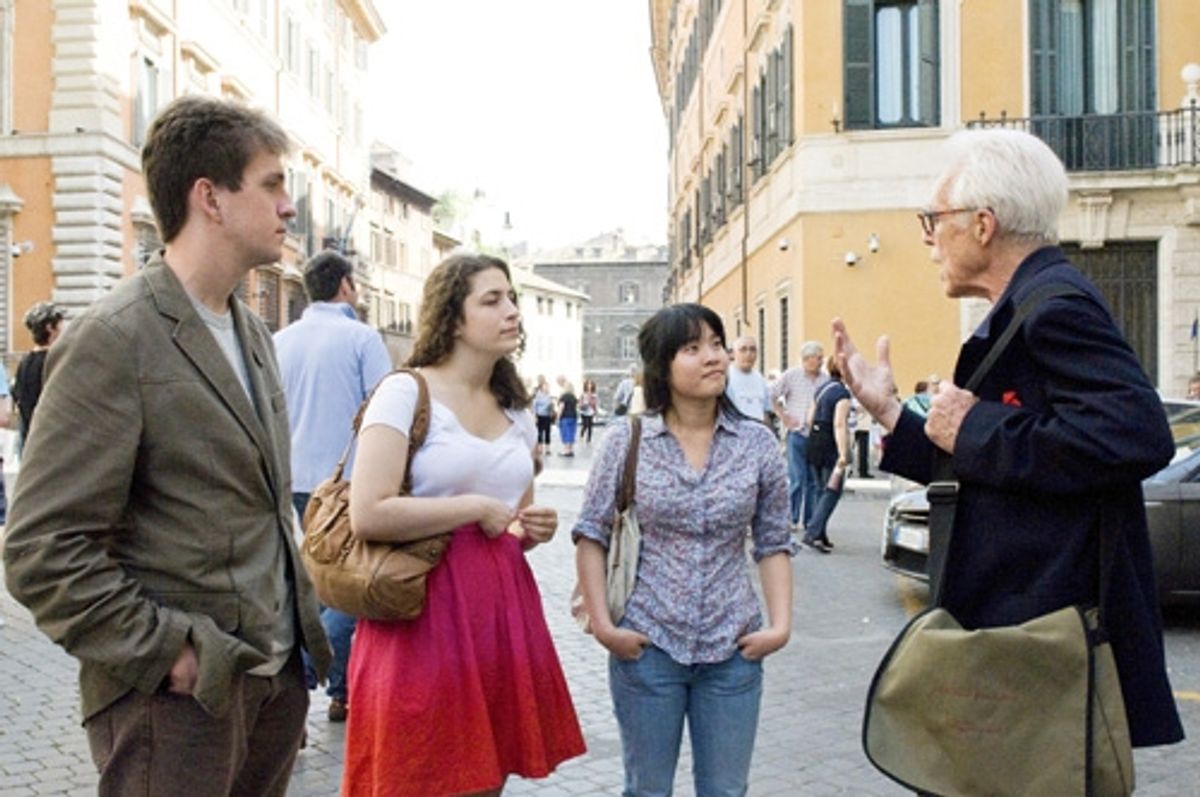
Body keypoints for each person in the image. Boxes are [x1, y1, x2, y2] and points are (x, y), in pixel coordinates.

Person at [2, 95, 331, 797]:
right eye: (272, 184)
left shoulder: (253, 334)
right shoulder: (114, 337)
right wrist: (169, 652)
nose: (289, 206)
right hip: (174, 708)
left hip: (270, 688)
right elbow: (40, 549)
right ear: (210, 197)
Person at [834, 127, 1184, 753]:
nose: (927, 237)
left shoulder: (1056, 304)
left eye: (934, 219)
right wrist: (889, 412)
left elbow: (1137, 434)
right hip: (1022, 637)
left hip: (1047, 642)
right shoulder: (1026, 303)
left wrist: (975, 426)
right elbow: (995, 461)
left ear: (982, 224)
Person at [342, 254, 585, 796]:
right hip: (421, 609)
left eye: (512, 298)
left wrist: (531, 528)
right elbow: (368, 512)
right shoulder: (404, 392)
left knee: (485, 776)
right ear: (452, 318)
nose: (511, 310)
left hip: (499, 611)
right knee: (419, 771)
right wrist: (472, 508)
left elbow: (511, 525)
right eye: (492, 300)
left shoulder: (516, 411)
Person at [574, 303, 794, 797]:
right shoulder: (626, 441)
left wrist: (779, 626)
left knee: (726, 791)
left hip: (733, 646)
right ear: (662, 366)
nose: (713, 357)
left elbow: (773, 541)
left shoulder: (757, 444)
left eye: (716, 344)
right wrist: (605, 627)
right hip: (648, 644)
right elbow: (592, 535)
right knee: (647, 789)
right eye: (692, 348)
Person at [273, 249, 392, 724]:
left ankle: (341, 693)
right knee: (350, 588)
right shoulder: (362, 337)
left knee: (321, 581)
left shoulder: (279, 340)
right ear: (345, 285)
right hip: (349, 481)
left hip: (297, 480)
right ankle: (301, 676)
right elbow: (387, 409)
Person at [770, 341, 830, 528]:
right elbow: (771, 395)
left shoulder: (825, 379)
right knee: (797, 478)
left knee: (813, 480)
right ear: (807, 359)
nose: (821, 361)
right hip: (796, 433)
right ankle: (791, 518)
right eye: (818, 358)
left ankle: (809, 520)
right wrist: (784, 416)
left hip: (816, 435)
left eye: (821, 358)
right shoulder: (791, 376)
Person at [801, 355, 852, 552]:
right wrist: (843, 452)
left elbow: (809, 418)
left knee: (819, 489)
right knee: (832, 491)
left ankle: (820, 533)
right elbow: (839, 423)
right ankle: (813, 532)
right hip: (830, 443)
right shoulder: (842, 394)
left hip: (814, 441)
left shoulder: (822, 388)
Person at [13, 301, 66, 443]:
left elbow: (19, 398)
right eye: (61, 324)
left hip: (29, 438)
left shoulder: (25, 362)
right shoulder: (56, 361)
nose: (64, 329)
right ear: (50, 328)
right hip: (52, 438)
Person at [725, 335, 771, 421]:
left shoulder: (760, 379)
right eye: (743, 349)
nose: (748, 354)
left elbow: (765, 412)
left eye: (752, 349)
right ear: (733, 354)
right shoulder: (725, 377)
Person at [532, 374, 555, 457]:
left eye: (548, 387)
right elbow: (534, 406)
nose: (547, 388)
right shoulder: (538, 395)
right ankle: (540, 448)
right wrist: (535, 416)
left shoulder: (549, 395)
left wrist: (552, 407)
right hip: (540, 415)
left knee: (548, 432)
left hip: (547, 416)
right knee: (540, 432)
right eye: (545, 387)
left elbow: (551, 406)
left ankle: (548, 449)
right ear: (542, 387)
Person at [557, 378, 578, 456]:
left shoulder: (564, 396)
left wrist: (558, 417)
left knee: (565, 433)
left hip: (565, 417)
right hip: (573, 416)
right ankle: (571, 449)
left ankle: (566, 450)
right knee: (571, 432)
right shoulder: (574, 397)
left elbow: (561, 407)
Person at [579, 378, 599, 443]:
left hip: (591, 411)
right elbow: (580, 402)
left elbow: (595, 404)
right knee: (585, 425)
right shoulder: (583, 394)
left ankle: (589, 439)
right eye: (588, 384)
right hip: (584, 411)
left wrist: (596, 412)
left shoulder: (594, 394)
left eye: (591, 384)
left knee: (590, 426)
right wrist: (583, 404)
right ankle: (582, 434)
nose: (589, 385)